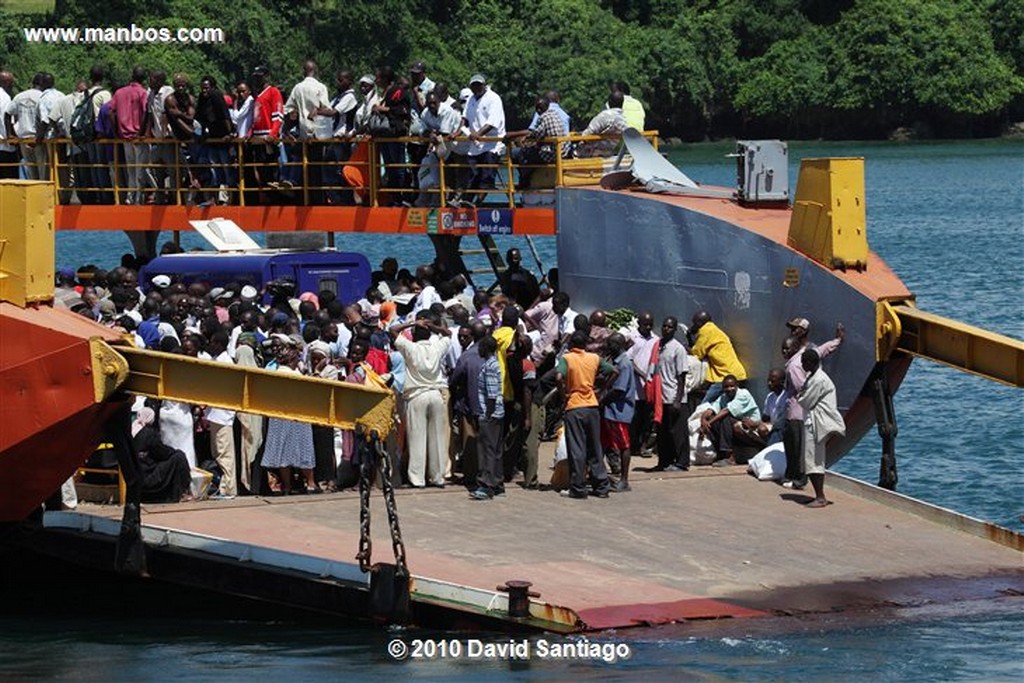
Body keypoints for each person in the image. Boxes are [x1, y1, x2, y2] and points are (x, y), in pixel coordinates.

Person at [390, 313, 452, 488]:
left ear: (414, 334)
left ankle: (417, 479)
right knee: (438, 439)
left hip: (417, 396)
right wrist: (433, 326)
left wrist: (411, 323)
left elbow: (392, 330)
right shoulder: (436, 347)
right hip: (436, 394)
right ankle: (437, 477)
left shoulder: (410, 347)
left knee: (417, 438)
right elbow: (448, 334)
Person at [781, 321, 844, 489]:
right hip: (802, 411)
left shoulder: (794, 366)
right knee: (798, 446)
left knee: (795, 446)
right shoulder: (808, 353)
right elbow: (823, 350)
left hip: (795, 410)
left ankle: (797, 478)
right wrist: (837, 340)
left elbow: (801, 387)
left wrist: (803, 396)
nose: (784, 352)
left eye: (787, 349)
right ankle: (795, 475)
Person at [556, 330, 614, 499]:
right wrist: (601, 390)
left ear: (571, 345)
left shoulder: (567, 359)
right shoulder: (594, 358)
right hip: (592, 406)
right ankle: (602, 486)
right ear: (585, 344)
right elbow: (614, 371)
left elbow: (559, 377)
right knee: (594, 447)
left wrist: (563, 395)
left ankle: (578, 488)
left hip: (574, 406)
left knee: (577, 448)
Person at [261, 335, 319, 494]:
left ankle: (287, 486)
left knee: (282, 453)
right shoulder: (296, 376)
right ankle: (311, 483)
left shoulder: (273, 374)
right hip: (298, 416)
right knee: (304, 449)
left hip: (278, 417)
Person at [797, 348, 845, 508]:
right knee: (811, 459)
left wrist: (800, 395)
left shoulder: (818, 380)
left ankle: (820, 496)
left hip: (816, 423)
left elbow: (805, 401)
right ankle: (817, 494)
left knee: (814, 460)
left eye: (804, 362)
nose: (802, 365)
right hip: (812, 421)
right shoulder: (813, 377)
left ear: (811, 362)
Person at [505, 95, 570, 187]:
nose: (538, 110)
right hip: (563, 151)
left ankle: (524, 180)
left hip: (552, 153)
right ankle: (527, 177)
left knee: (516, 153)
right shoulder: (556, 114)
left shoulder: (544, 117)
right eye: (537, 108)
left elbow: (537, 133)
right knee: (529, 153)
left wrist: (526, 137)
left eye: (539, 108)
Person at [469, 334, 504, 500]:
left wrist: (487, 415)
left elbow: (491, 394)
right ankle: (497, 483)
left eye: (481, 347)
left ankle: (487, 485)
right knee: (495, 450)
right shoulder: (493, 364)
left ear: (486, 349)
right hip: (497, 413)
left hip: (490, 414)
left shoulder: (490, 366)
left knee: (487, 450)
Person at [653, 316, 690, 471]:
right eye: (664, 326)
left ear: (674, 330)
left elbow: (682, 376)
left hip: (674, 396)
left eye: (669, 327)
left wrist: (677, 400)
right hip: (661, 397)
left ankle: (681, 462)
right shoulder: (659, 345)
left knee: (678, 432)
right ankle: (665, 461)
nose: (666, 329)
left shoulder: (678, 349)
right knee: (663, 433)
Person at [108, 66, 150, 204]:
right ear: (143, 79)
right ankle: (139, 198)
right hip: (138, 137)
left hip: (124, 137)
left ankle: (130, 197)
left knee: (130, 169)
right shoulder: (142, 93)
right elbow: (145, 113)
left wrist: (116, 133)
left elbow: (110, 113)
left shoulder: (119, 93)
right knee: (140, 170)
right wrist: (141, 132)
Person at [462, 73, 506, 205]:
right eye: (474, 86)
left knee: (486, 177)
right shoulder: (470, 99)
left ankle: (477, 203)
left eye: (479, 85)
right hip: (475, 145)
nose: (476, 88)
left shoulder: (494, 98)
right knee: (473, 174)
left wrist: (478, 134)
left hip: (492, 144)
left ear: (484, 85)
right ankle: (466, 201)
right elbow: (464, 119)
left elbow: (492, 122)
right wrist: (462, 131)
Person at [203, 331, 238, 497]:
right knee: (218, 453)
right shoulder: (216, 360)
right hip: (215, 414)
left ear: (218, 343)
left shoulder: (226, 362)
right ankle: (223, 486)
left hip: (223, 415)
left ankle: (228, 489)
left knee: (225, 454)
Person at [698, 374, 760, 467]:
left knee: (724, 418)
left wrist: (708, 424)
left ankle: (729, 456)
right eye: (726, 387)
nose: (729, 389)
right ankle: (720, 452)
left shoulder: (743, 394)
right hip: (735, 422)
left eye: (732, 386)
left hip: (751, 425)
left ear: (737, 385)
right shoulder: (724, 397)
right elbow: (711, 409)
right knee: (714, 420)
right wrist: (703, 420)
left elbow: (726, 411)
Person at [602, 333, 636, 491]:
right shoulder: (616, 361)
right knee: (605, 442)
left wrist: (602, 400)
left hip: (620, 411)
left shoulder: (624, 364)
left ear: (617, 345)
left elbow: (619, 390)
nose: (608, 347)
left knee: (624, 445)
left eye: (610, 344)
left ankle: (624, 480)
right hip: (612, 411)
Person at [689, 311, 748, 399]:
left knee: (706, 402)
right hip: (736, 373)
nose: (693, 325)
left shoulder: (706, 330)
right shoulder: (713, 329)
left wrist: (686, 346)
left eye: (694, 323)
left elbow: (697, 353)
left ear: (699, 323)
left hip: (726, 375)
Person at [577, 90, 628, 158]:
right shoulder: (623, 120)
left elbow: (588, 132)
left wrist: (579, 135)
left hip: (592, 152)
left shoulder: (605, 116)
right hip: (609, 152)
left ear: (609, 101)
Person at [0, 71, 17, 179]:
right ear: (6, 83)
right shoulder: (5, 97)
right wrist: (11, 137)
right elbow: (6, 118)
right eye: (11, 83)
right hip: (4, 147)